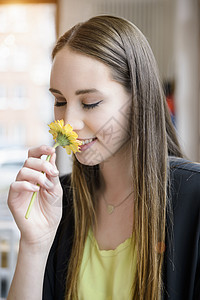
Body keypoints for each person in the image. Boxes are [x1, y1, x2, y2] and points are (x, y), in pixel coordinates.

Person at [7, 15, 200, 300]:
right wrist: (34, 244)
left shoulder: (194, 197)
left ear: (138, 100)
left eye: (90, 103)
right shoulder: (59, 201)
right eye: (60, 101)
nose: (68, 122)